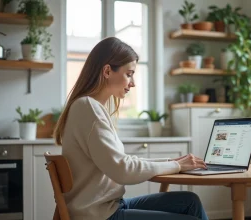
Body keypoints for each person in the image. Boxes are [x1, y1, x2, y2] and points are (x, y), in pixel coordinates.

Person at [53, 37, 209, 220]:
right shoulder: (88, 108)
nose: (132, 83)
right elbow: (123, 170)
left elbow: (121, 161)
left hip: (109, 205)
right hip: (99, 215)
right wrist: (175, 165)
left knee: (190, 201)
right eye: (129, 74)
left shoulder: (91, 107)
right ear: (107, 71)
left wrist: (170, 161)